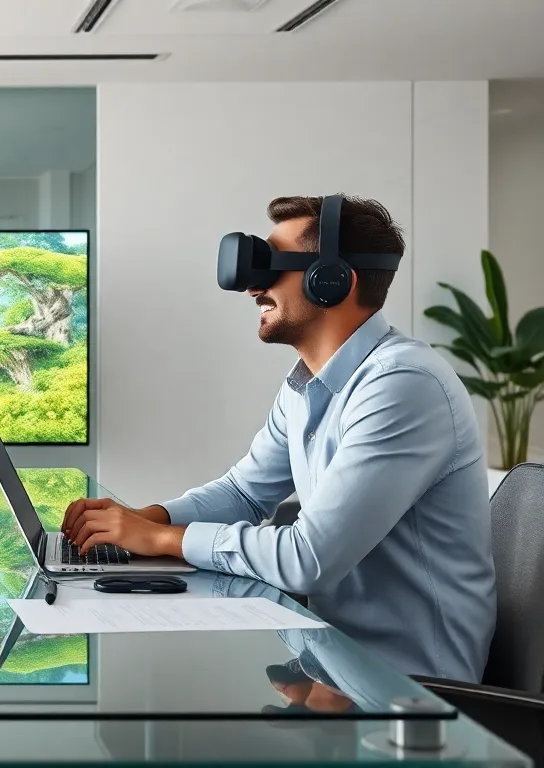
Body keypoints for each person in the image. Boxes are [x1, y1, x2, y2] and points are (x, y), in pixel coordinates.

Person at [61, 195, 495, 682]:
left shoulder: (403, 384)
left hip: (408, 692)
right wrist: (143, 520)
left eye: (270, 267)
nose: (253, 289)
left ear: (330, 282)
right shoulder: (309, 385)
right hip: (331, 662)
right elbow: (244, 492)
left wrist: (163, 539)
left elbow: (308, 560)